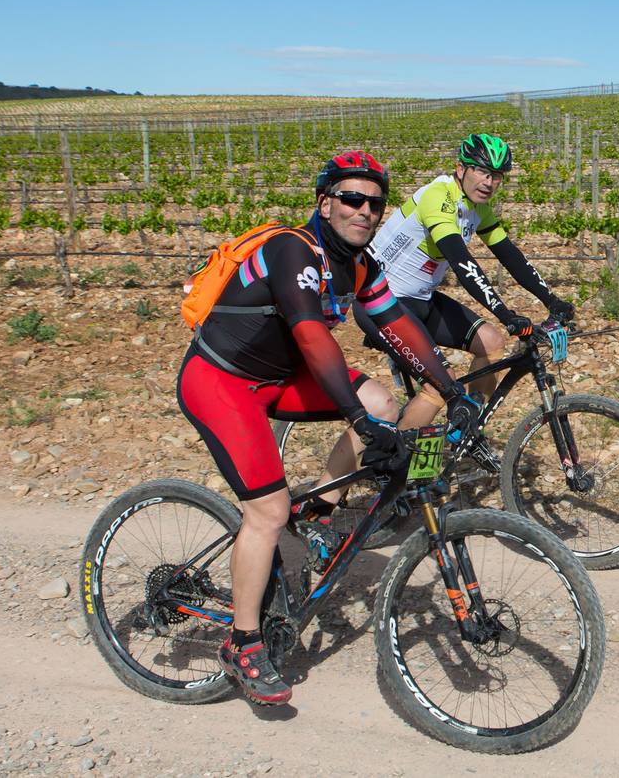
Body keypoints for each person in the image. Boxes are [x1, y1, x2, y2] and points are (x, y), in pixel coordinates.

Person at [177, 150, 478, 706]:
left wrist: (452, 388)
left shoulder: (360, 266)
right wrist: (355, 417)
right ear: (325, 202)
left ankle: (318, 508)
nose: (365, 210)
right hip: (221, 381)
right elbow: (314, 339)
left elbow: (397, 326)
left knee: (383, 401)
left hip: (277, 377)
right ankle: (242, 644)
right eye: (352, 198)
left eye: (376, 204)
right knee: (265, 510)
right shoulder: (293, 249)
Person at [356, 132, 574, 429]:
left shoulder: (478, 209)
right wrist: (505, 312)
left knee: (492, 343)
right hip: (381, 303)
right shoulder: (438, 196)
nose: (489, 182)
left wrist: (552, 300)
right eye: (482, 171)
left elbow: (510, 256)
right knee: (439, 386)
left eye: (497, 176)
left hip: (420, 300)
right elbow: (462, 262)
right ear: (461, 169)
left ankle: (466, 427)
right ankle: (399, 466)